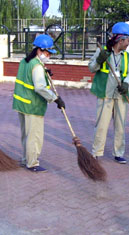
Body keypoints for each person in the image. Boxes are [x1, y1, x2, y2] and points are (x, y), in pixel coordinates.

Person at [12, 34, 65, 172]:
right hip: (33, 106)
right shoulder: (37, 66)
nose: (49, 56)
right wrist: (55, 98)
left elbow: (28, 78)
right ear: (39, 50)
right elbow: (40, 87)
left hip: (21, 104)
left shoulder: (25, 61)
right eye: (48, 52)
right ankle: (33, 163)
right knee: (34, 136)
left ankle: (26, 160)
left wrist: (44, 71)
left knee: (26, 135)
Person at [88, 22, 129, 164]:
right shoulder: (103, 52)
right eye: (128, 40)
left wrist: (126, 83)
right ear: (120, 40)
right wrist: (98, 61)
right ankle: (96, 152)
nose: (128, 44)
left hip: (121, 94)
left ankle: (119, 153)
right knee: (101, 124)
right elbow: (91, 68)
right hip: (105, 94)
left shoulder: (127, 56)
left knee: (120, 125)